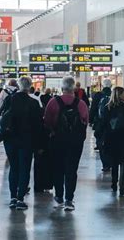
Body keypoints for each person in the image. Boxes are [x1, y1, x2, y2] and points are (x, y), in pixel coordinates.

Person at [0, 76, 43, 210]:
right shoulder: (33, 103)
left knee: (14, 168)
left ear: (18, 86)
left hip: (10, 140)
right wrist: (39, 145)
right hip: (27, 141)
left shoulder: (9, 99)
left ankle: (12, 197)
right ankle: (20, 198)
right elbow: (38, 126)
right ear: (29, 87)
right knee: (24, 169)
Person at [44, 76, 88, 212]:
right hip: (75, 143)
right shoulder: (81, 104)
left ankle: (59, 196)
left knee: (58, 169)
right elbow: (85, 121)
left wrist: (52, 132)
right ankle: (69, 199)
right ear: (74, 88)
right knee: (72, 170)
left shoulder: (53, 102)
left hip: (57, 141)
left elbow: (47, 121)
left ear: (62, 88)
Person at [101, 87, 124, 192]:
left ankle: (114, 183)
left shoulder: (107, 108)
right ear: (120, 95)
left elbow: (103, 123)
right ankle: (123, 183)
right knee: (123, 161)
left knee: (114, 162)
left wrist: (101, 136)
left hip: (111, 138)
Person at [89, 78, 112, 172]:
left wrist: (90, 120)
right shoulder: (114, 94)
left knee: (101, 143)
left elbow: (93, 108)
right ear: (110, 86)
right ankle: (111, 162)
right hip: (112, 124)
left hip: (101, 123)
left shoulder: (98, 95)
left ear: (102, 85)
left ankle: (105, 164)